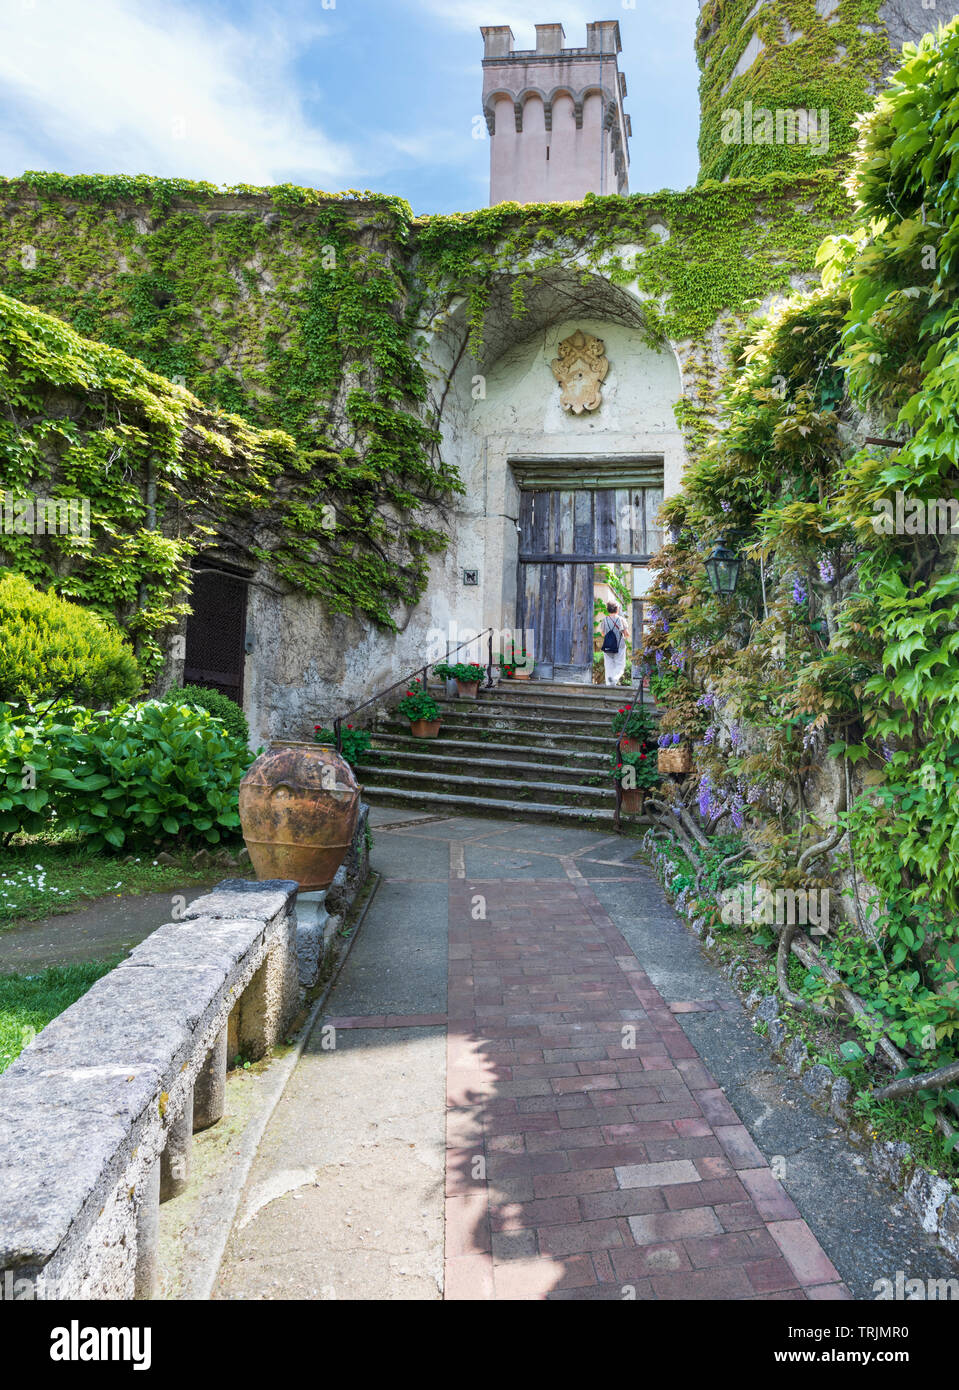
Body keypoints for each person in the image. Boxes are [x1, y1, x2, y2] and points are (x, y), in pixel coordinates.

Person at [600, 601, 629, 686]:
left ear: (608, 609)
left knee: (609, 666)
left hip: (608, 646)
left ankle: (609, 684)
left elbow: (602, 633)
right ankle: (614, 678)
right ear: (617, 609)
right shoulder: (621, 619)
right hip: (619, 646)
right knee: (620, 666)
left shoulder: (604, 620)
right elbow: (626, 634)